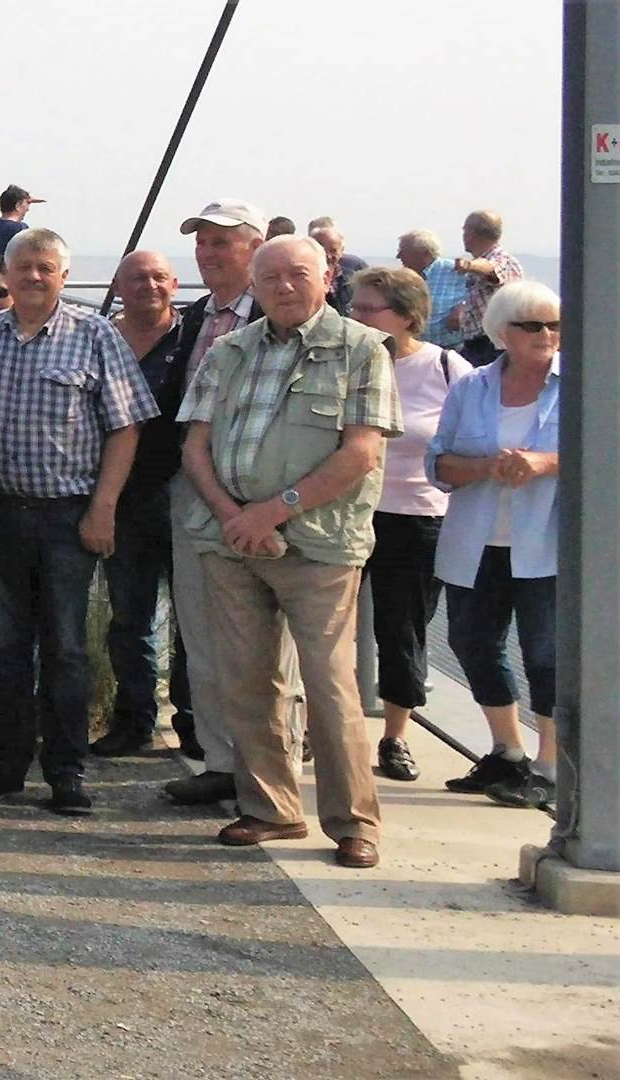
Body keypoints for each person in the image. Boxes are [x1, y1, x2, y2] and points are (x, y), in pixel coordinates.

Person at [179, 235, 397, 869]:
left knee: (331, 684)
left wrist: (274, 511)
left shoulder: (361, 350)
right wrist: (234, 518)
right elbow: (196, 448)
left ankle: (354, 822)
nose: (283, 286)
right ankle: (272, 807)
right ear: (255, 283)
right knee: (247, 680)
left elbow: (361, 453)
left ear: (326, 276)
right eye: (269, 276)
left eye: (297, 274)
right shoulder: (228, 350)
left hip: (320, 545)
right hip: (230, 540)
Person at [0, 228, 156, 816]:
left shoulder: (95, 336)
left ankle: (67, 772)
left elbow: (125, 428)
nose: (34, 277)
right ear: (7, 275)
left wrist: (103, 508)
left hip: (68, 518)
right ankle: (4, 766)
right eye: (24, 268)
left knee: (66, 648)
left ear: (64, 276)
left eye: (46, 268)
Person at [428, 280, 563, 811]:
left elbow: (602, 453)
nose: (546, 334)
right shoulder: (472, 387)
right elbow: (437, 463)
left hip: (546, 544)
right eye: (532, 325)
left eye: (554, 323)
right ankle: (508, 751)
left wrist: (544, 463)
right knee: (472, 642)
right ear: (502, 332)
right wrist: (486, 467)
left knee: (547, 657)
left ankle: (551, 766)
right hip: (478, 540)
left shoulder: (578, 384)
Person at [347, 266, 475, 782]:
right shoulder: (346, 363)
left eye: (367, 309)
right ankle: (321, 727)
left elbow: (471, 436)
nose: (355, 318)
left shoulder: (447, 368)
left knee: (401, 631)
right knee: (322, 627)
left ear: (406, 316)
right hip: (347, 511)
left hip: (416, 517)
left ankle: (396, 736)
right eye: (352, 308)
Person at [163, 198, 269, 805]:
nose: (207, 253)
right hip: (194, 491)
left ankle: (271, 767)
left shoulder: (282, 314)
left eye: (221, 243)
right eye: (202, 243)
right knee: (200, 629)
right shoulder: (200, 315)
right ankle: (221, 758)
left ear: (255, 246)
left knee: (266, 641)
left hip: (263, 498)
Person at [92, 249, 196, 760]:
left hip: (183, 494)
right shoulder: (100, 337)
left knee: (191, 618)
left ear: (175, 284)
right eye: (136, 278)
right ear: (117, 284)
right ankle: (134, 719)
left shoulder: (195, 338)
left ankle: (193, 719)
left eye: (158, 277)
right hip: (120, 497)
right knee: (128, 617)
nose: (148, 286)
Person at [448, 210, 524, 366]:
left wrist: (469, 265)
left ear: (471, 233)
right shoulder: (488, 260)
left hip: (494, 345)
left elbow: (491, 269)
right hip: (477, 344)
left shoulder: (502, 259)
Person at [400, 229, 471, 350]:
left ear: (424, 253)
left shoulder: (454, 270)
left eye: (403, 251)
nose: (398, 256)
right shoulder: (404, 277)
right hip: (418, 349)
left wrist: (463, 306)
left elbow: (483, 293)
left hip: (453, 348)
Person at [305, 218, 368, 313]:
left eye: (333, 251)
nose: (328, 256)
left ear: (342, 251)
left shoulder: (352, 277)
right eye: (322, 250)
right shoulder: (300, 279)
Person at [0, 183, 41, 257]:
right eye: (27, 204)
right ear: (17, 206)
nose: (27, 209)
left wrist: (24, 200)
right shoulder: (20, 229)